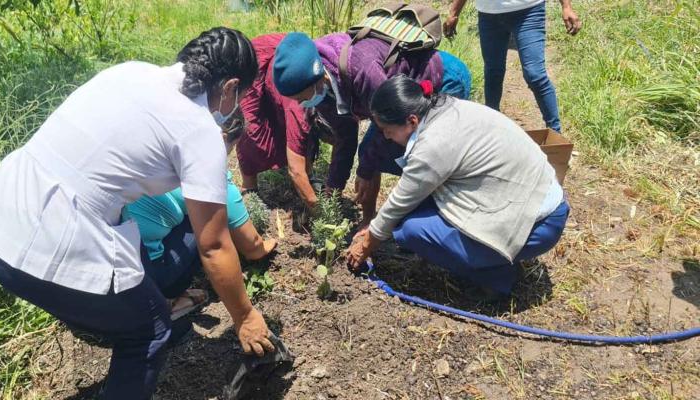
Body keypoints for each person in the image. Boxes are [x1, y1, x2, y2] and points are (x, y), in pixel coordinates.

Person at [0, 27, 275, 399]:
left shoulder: (129, 72)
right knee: (150, 329)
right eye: (240, 96)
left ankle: (107, 321)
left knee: (136, 301)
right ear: (230, 88)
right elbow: (213, 245)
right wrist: (245, 317)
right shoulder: (199, 129)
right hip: (48, 243)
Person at [346, 75, 569, 296]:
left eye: (388, 130)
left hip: (538, 224)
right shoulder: (447, 107)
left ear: (412, 121)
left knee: (410, 230)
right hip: (537, 199)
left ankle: (497, 277)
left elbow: (399, 203)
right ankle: (491, 257)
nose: (386, 136)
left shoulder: (434, 144)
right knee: (416, 212)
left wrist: (366, 244)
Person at [236, 32, 472, 210]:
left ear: (318, 79)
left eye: (301, 98)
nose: (300, 104)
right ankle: (369, 221)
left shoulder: (361, 68)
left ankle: (433, 214)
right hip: (391, 103)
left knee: (419, 156)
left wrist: (365, 170)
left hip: (441, 79)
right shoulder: (323, 90)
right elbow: (345, 137)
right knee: (372, 153)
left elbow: (390, 123)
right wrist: (333, 192)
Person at [123, 117, 277, 320]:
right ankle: (168, 299)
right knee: (208, 220)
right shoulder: (209, 174)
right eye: (232, 147)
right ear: (222, 139)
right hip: (145, 275)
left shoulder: (159, 149)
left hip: (111, 258)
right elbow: (252, 249)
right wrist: (266, 245)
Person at [443, 0, 581, 133]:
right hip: (489, 16)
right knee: (493, 73)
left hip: (528, 11)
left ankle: (555, 132)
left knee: (535, 75)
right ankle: (492, 128)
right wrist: (454, 13)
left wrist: (566, 6)